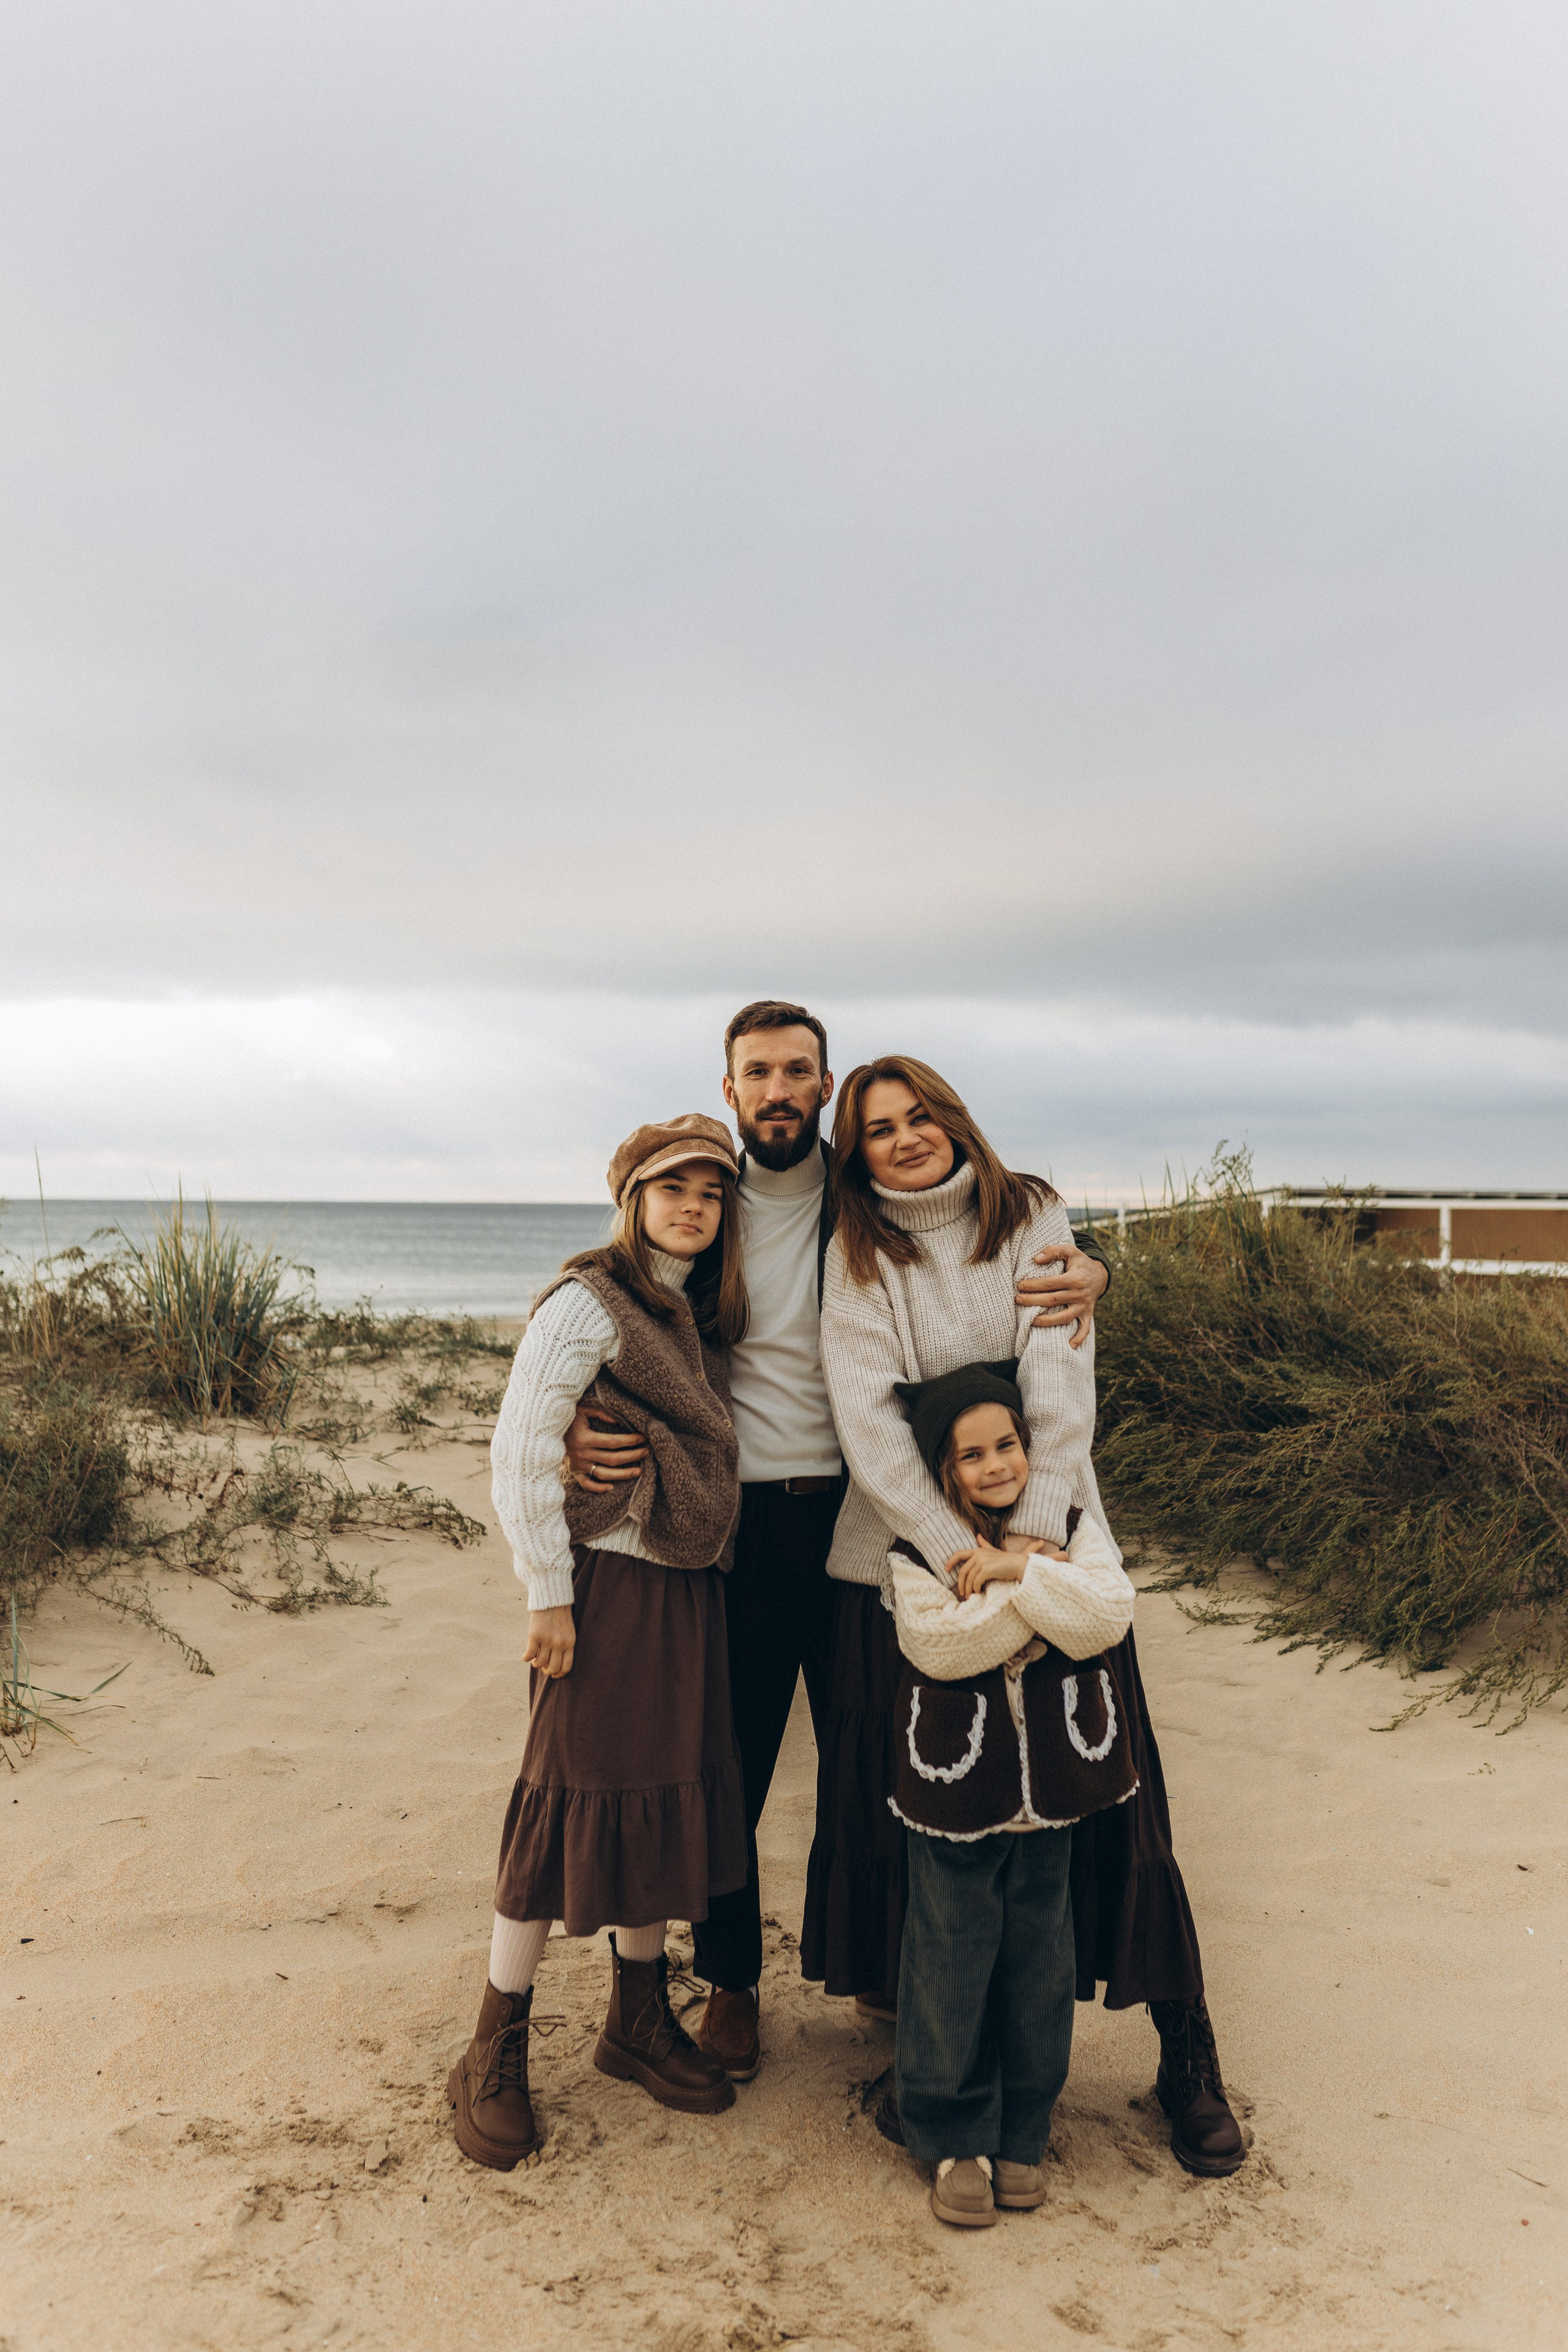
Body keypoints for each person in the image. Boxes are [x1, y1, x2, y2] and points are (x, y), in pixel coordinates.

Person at [564, 1002, 1112, 2085]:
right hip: (741, 1522)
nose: (777, 1090)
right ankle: (729, 1983)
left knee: (875, 1754)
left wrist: (1091, 1262)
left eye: (798, 1072)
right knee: (737, 1759)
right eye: (756, 1073)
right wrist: (573, 1409)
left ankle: (874, 1966)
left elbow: (980, 1236)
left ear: (825, 1090)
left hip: (873, 1519)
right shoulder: (706, 1206)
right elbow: (613, 1292)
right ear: (730, 1091)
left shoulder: (866, 1198)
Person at [812, 1056, 1246, 2179]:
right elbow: (869, 1421)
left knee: (1116, 1798)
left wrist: (1028, 1544)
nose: (905, 1140)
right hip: (917, 1553)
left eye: (920, 1118)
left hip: (1051, 1537)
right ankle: (936, 2074)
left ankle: (1185, 2048)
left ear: (954, 1119)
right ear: (853, 1152)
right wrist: (958, 1551)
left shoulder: (1032, 1213)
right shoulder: (857, 1253)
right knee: (933, 1817)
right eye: (877, 1130)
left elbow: (1058, 1384)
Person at [448, 1114, 749, 2171]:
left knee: (660, 1796)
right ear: (632, 1197)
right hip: (603, 1590)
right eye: (674, 1189)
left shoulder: (690, 1316)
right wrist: (547, 1596)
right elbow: (523, 1444)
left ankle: (635, 2021)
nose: (694, 1207)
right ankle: (494, 2043)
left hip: (683, 1589)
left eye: (712, 1193)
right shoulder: (591, 1303)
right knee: (562, 1798)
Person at [879, 1361, 1139, 2226]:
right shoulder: (916, 1550)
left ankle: (1024, 2129)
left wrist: (1010, 1574)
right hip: (958, 1790)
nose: (997, 1466)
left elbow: (1108, 1615)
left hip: (1053, 1791)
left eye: (1008, 1446)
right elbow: (943, 1648)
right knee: (950, 1958)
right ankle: (953, 2132)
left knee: (1040, 1961)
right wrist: (1036, 1587)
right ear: (941, 1469)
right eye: (972, 1455)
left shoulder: (1069, 1522)